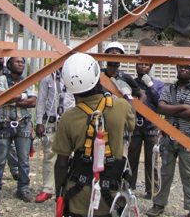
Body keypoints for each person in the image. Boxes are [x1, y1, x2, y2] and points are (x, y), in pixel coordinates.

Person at [53, 53, 136, 216]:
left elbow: (61, 164)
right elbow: (132, 124)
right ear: (98, 78)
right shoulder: (121, 106)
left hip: (77, 197)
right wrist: (128, 96)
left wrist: (59, 196)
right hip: (111, 198)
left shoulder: (68, 118)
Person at [146, 64, 190, 217]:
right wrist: (184, 107)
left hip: (188, 137)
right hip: (169, 137)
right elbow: (161, 109)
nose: (183, 70)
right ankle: (159, 204)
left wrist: (173, 109)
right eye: (181, 67)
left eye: (187, 68)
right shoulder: (168, 89)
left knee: (188, 174)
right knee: (165, 172)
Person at [0, 56, 36, 203]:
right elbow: (0, 98)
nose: (21, 63)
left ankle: (23, 188)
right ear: (9, 65)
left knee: (24, 160)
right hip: (4, 123)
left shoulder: (28, 80)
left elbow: (32, 101)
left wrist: (11, 99)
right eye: (17, 61)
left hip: (23, 123)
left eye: (23, 61)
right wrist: (23, 97)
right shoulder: (0, 80)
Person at [34, 66, 76, 203]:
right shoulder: (48, 76)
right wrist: (39, 122)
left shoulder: (76, 75)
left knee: (72, 157)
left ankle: (67, 189)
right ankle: (48, 189)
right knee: (49, 155)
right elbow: (41, 99)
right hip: (51, 121)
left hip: (70, 121)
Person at [127, 62, 165, 199]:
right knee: (132, 158)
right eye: (141, 64)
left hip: (151, 126)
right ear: (136, 66)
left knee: (152, 159)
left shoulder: (159, 85)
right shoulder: (131, 83)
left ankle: (152, 191)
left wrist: (151, 87)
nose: (143, 67)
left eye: (146, 65)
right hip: (135, 125)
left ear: (151, 67)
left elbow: (160, 102)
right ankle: (128, 188)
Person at [0, 56, 20, 181]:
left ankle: (15, 170)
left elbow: (6, 96)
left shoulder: (9, 72)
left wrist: (11, 98)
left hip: (7, 111)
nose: (0, 57)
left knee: (9, 143)